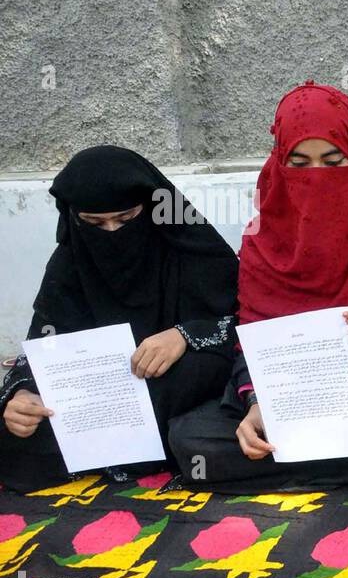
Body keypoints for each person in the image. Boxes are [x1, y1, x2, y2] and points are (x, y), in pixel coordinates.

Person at [168, 81, 348, 492]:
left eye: (333, 161)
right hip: (290, 388)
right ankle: (338, 458)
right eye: (299, 164)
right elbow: (252, 339)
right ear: (279, 162)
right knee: (191, 438)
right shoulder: (264, 236)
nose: (316, 177)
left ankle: (330, 455)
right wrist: (256, 403)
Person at [0, 146, 238, 492]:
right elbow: (45, 342)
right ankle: (130, 447)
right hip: (98, 393)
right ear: (74, 219)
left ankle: (108, 449)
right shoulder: (70, 261)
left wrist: (184, 335)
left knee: (197, 375)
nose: (112, 232)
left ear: (155, 208)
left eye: (127, 219)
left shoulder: (191, 247)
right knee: (13, 424)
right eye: (94, 223)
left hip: (174, 384)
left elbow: (246, 322)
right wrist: (23, 394)